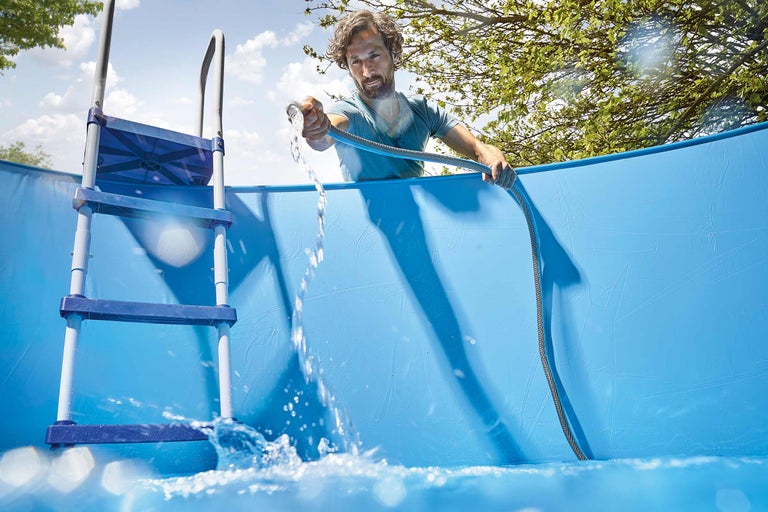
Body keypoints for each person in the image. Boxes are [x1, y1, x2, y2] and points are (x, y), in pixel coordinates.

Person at [296, 10, 516, 189]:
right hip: (369, 233)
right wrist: (315, 124)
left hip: (418, 227)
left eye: (374, 56)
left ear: (393, 54)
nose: (367, 71)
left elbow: (478, 148)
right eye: (356, 62)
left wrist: (495, 161)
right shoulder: (348, 113)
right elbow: (322, 138)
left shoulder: (423, 110)